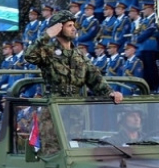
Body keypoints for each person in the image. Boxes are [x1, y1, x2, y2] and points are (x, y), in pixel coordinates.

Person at [23, 10, 124, 154]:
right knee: (52, 152)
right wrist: (47, 35)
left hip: (75, 111)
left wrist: (110, 92)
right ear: (58, 29)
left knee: (74, 150)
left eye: (73, 25)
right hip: (54, 110)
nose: (73, 28)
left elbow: (94, 77)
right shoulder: (48, 51)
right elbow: (29, 56)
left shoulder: (78, 55)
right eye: (69, 25)